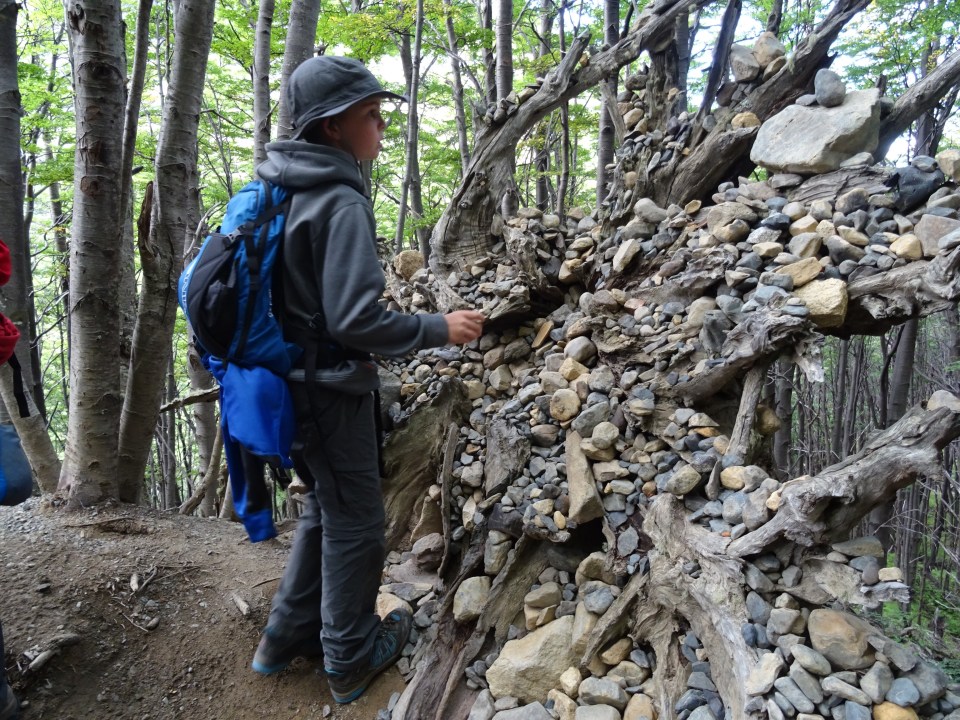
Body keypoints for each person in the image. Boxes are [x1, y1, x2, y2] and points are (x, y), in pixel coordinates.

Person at [249, 56, 484, 704]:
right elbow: (354, 320)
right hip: (328, 387)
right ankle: (351, 657)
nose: (382, 127)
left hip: (286, 382)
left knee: (327, 507)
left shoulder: (283, 184)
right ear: (332, 127)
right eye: (371, 116)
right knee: (358, 521)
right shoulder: (339, 199)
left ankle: (285, 636)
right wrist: (439, 327)